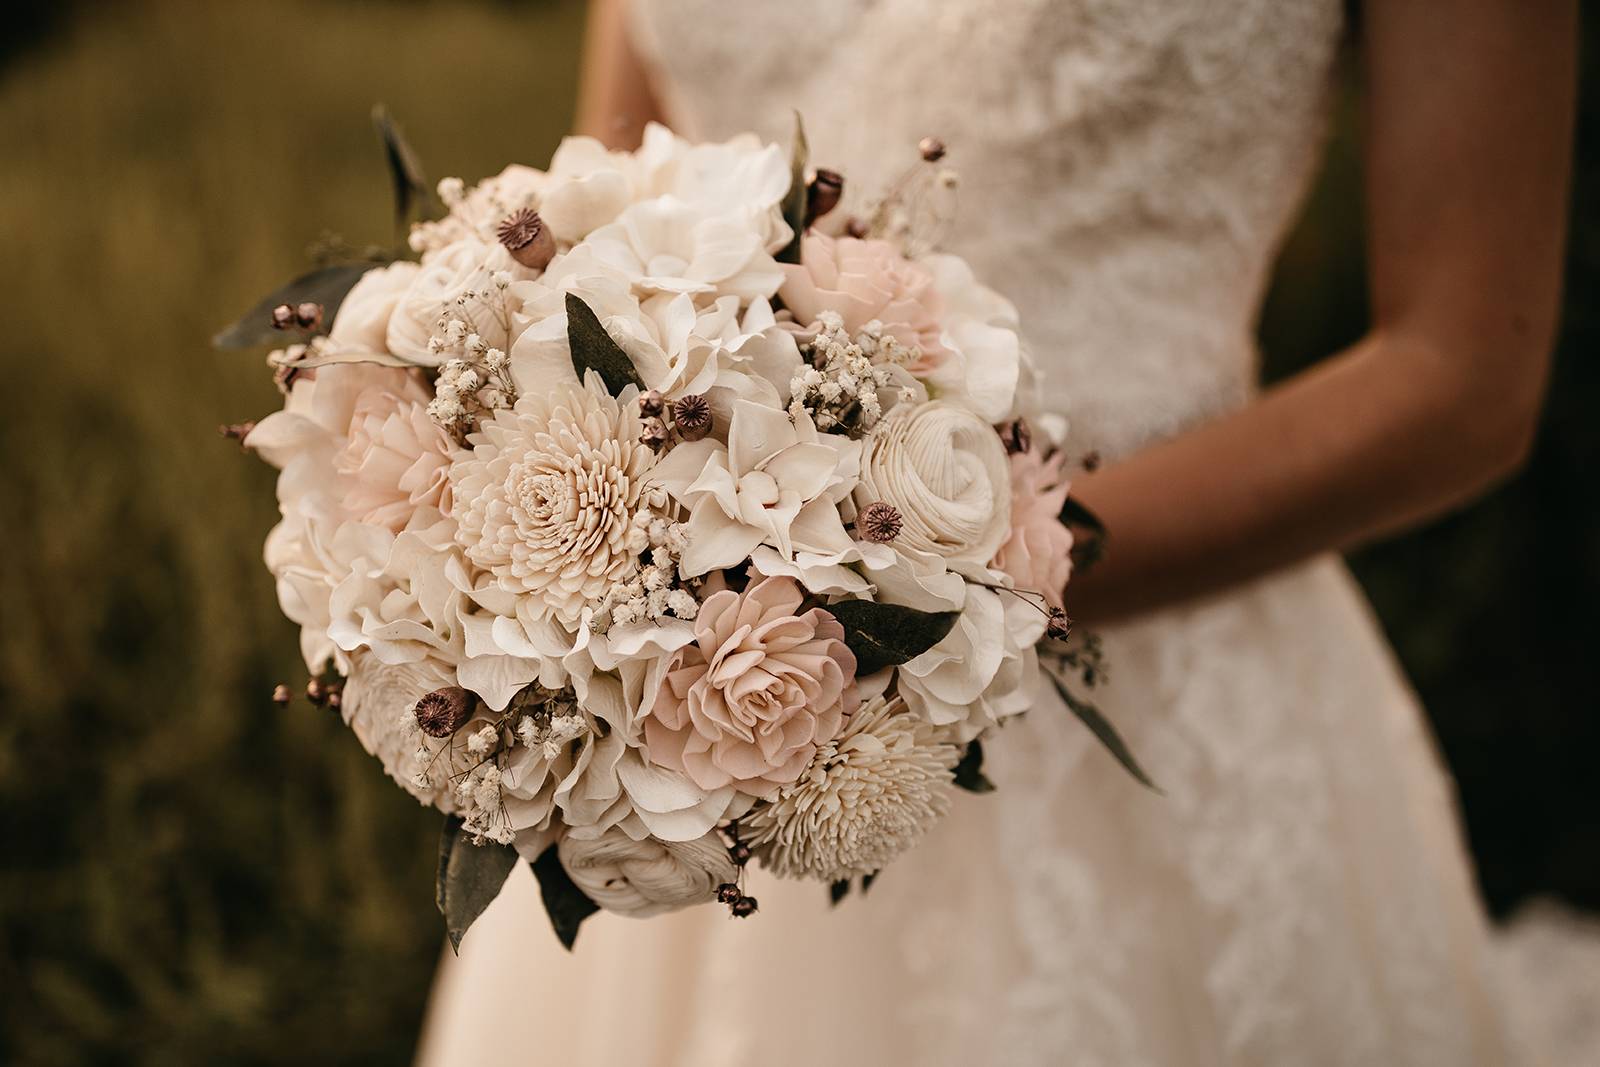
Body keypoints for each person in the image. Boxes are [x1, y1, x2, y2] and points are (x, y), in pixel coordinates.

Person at [417, 1, 1575, 1063]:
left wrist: (914, 588)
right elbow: (597, 237)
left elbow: (1460, 374)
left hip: (1152, 679)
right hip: (706, 705)